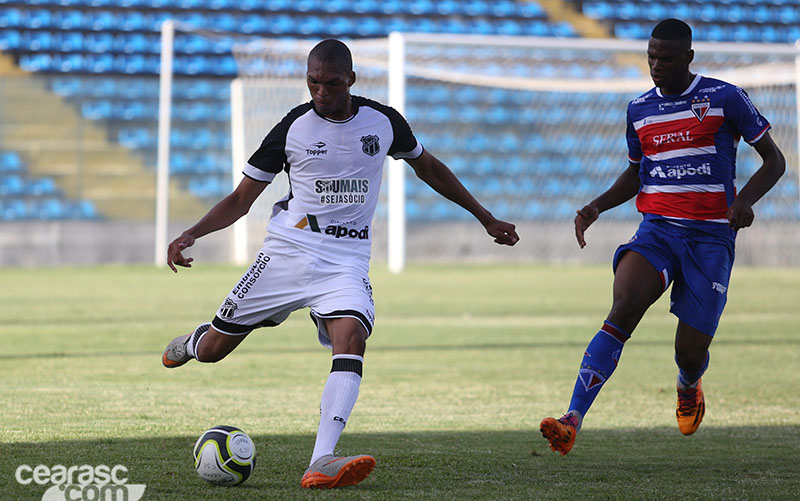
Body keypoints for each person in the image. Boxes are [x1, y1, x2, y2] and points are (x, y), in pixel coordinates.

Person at [161, 39, 519, 488]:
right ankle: (196, 342)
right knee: (214, 352)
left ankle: (321, 459)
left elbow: (429, 168)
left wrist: (485, 217)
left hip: (345, 261)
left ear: (351, 79)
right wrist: (191, 233)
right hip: (287, 253)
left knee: (350, 337)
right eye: (313, 82)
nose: (320, 92)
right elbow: (240, 199)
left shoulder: (384, 122)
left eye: (331, 83)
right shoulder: (292, 128)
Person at [540, 18, 785, 456]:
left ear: (688, 58)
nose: (656, 65)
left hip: (711, 238)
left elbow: (774, 160)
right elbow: (637, 172)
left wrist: (744, 200)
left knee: (690, 352)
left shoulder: (725, 97)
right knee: (623, 306)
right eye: (651, 56)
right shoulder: (638, 109)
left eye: (666, 58)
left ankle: (689, 383)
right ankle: (572, 419)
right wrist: (596, 206)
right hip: (657, 230)